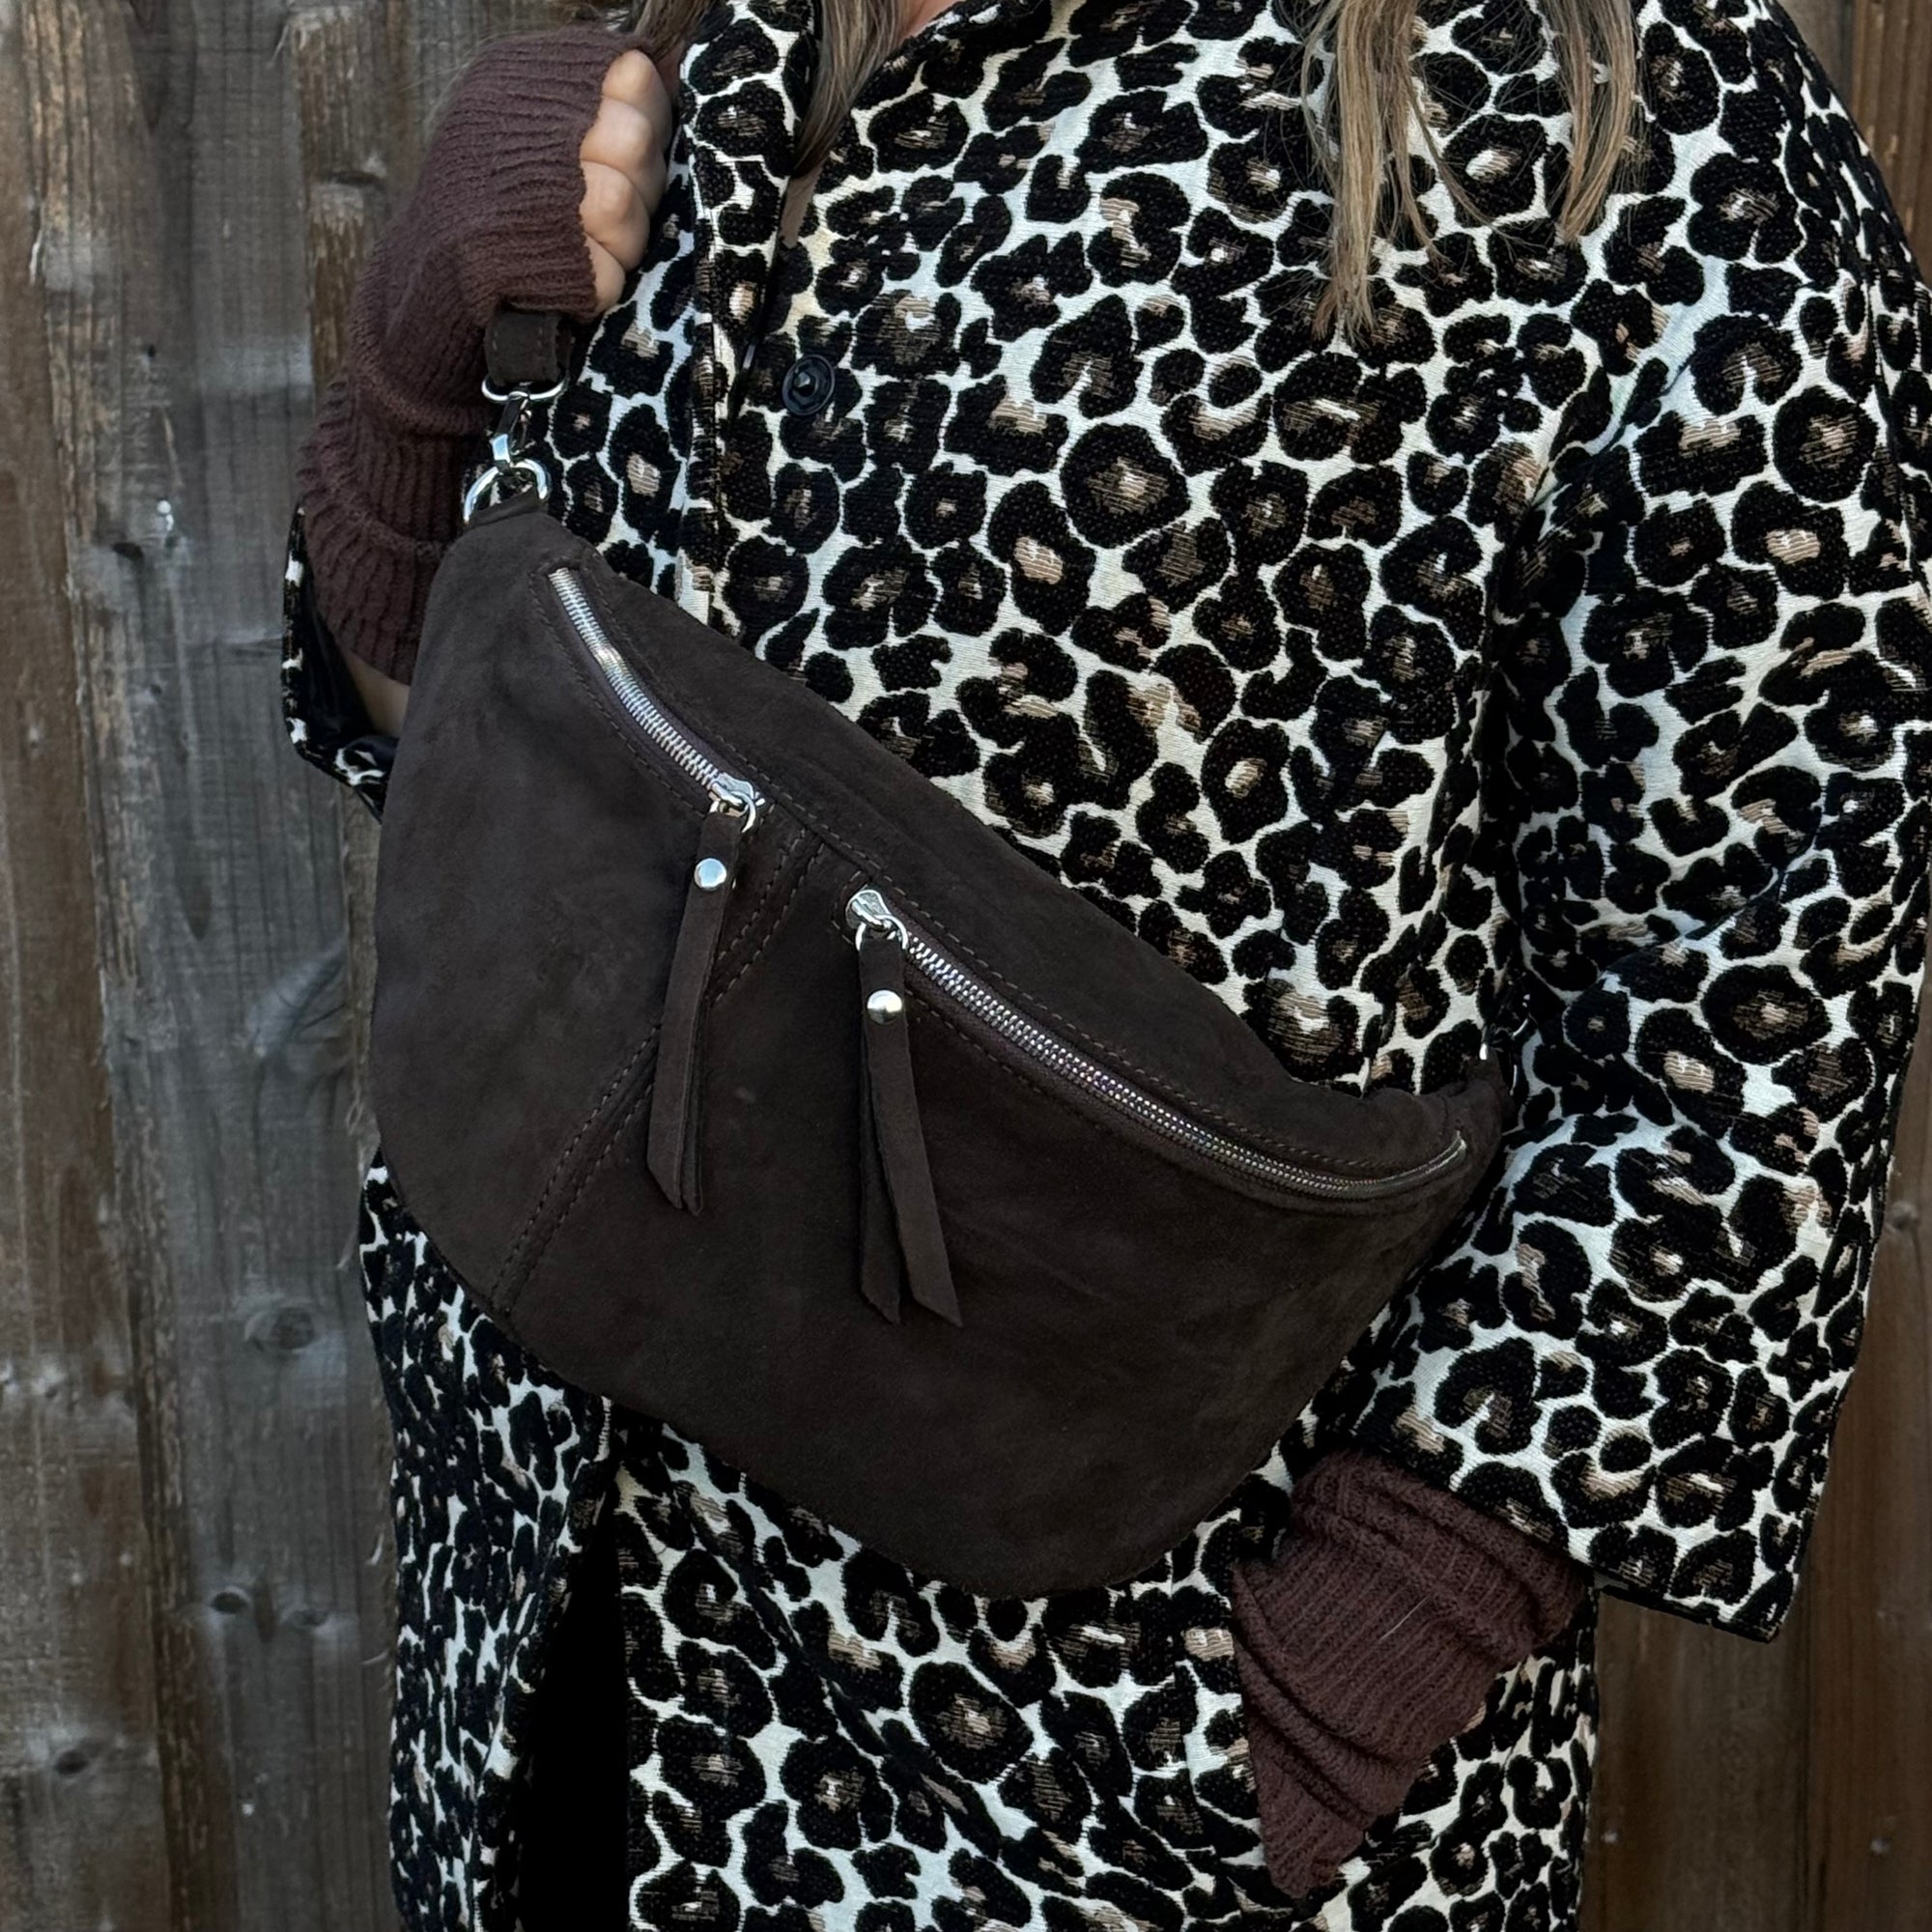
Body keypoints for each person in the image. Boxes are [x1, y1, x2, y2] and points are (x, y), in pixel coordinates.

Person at [279, 0, 1932, 1922]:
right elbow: (466, 757)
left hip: (1089, 1779)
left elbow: (1755, 1031)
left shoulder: (1632, 102)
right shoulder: (704, 41)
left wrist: (1312, 1716)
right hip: (558, 1676)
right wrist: (411, 379)